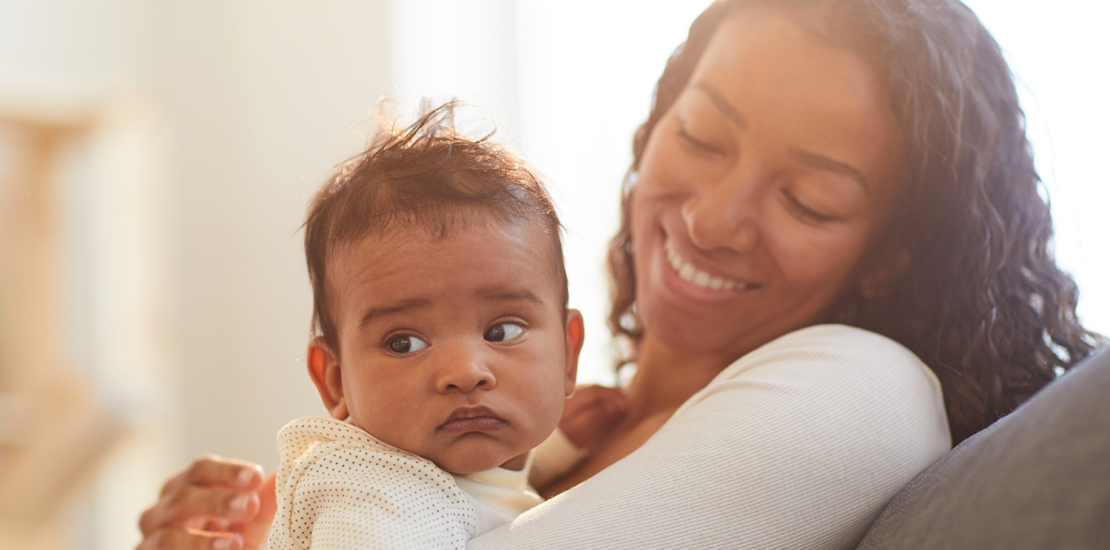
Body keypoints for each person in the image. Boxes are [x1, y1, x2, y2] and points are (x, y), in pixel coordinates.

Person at [137, 0, 1104, 548]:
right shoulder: (525, 436)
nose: (713, 218)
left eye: (808, 198)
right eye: (701, 134)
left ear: (895, 248)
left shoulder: (864, 390)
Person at [264, 103, 625, 550]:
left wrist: (555, 450)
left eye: (502, 332)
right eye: (404, 342)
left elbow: (482, 489)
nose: (466, 370)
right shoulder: (376, 495)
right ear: (335, 381)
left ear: (569, 355)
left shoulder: (430, 481)